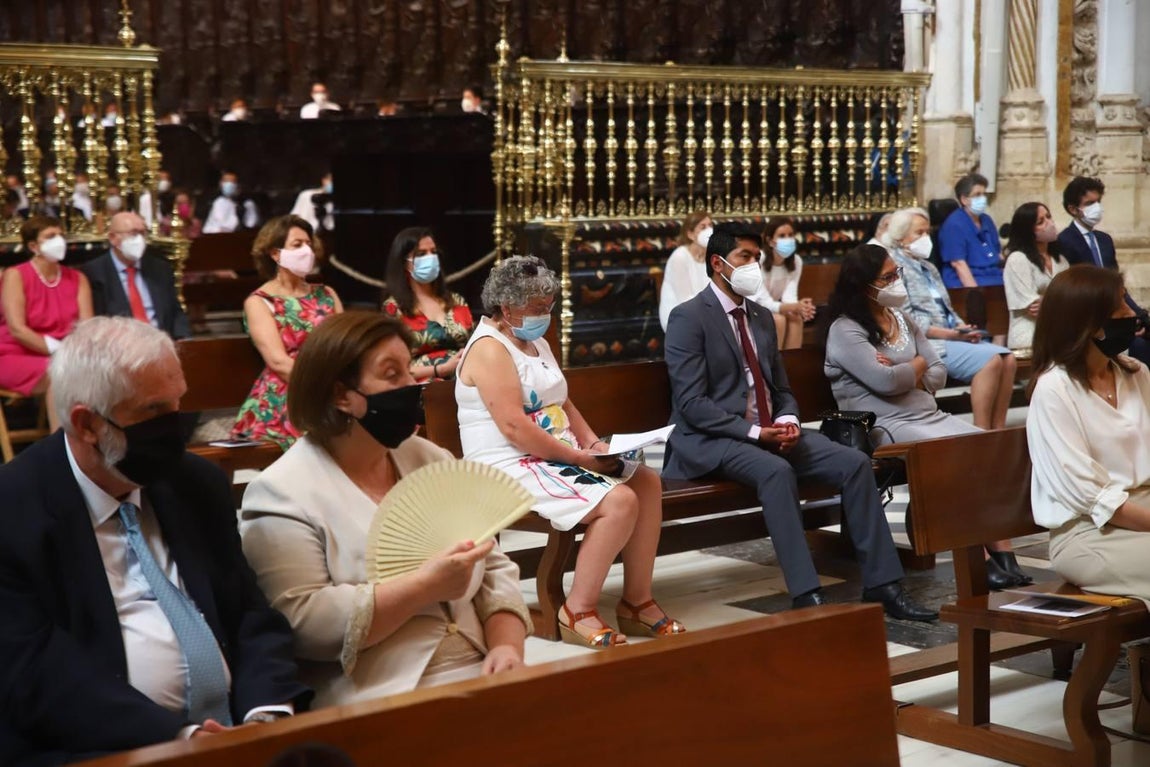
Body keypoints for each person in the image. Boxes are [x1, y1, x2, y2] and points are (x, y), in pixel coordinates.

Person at [0, 317, 310, 765]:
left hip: (238, 734)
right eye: (153, 412)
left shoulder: (194, 483)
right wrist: (183, 739)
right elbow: (36, 675)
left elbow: (248, 615)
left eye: (178, 404)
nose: (175, 428)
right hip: (102, 748)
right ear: (86, 424)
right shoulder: (13, 511)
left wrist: (265, 714)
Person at [240, 311, 530, 706]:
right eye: (392, 375)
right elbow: (304, 622)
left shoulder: (430, 458)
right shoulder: (280, 493)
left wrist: (506, 647)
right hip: (380, 695)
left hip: (482, 667)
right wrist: (425, 587)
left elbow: (494, 567)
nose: (411, 388)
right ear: (342, 395)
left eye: (410, 372)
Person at [663, 223, 936, 620]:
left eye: (757, 258)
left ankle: (885, 586)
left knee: (855, 462)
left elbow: (781, 388)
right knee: (775, 472)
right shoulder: (688, 318)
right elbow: (691, 404)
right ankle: (807, 596)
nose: (753, 266)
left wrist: (788, 419)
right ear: (718, 263)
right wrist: (757, 432)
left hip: (770, 432)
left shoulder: (759, 318)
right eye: (745, 258)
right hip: (713, 438)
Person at [457, 255, 686, 648]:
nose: (545, 315)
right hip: (510, 463)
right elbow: (514, 426)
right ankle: (577, 610)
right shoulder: (489, 349)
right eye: (536, 309)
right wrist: (580, 458)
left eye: (548, 307)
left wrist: (594, 444)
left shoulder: (535, 342)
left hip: (550, 453)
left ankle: (636, 602)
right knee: (619, 502)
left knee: (646, 482)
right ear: (506, 306)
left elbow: (562, 402)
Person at [824, 244, 1030, 589]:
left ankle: (1003, 550)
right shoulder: (845, 330)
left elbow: (939, 374)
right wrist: (916, 365)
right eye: (888, 277)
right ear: (864, 285)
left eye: (897, 274)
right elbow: (885, 383)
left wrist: (908, 369)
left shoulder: (902, 320)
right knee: (950, 453)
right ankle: (976, 559)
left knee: (988, 445)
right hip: (885, 425)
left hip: (927, 414)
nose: (896, 282)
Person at [1027, 265, 1150, 609]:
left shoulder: (1135, 373)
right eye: (1121, 307)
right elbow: (1092, 497)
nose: (1133, 314)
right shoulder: (1055, 390)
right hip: (1089, 533)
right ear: (1090, 324)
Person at [883, 207, 1017, 431]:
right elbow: (906, 318)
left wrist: (961, 327)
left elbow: (946, 307)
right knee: (991, 360)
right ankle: (981, 432)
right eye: (919, 233)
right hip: (925, 343)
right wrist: (951, 334)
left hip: (951, 337)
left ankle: (998, 430)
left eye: (927, 232)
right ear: (901, 236)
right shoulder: (895, 268)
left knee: (1009, 359)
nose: (925, 237)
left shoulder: (928, 267)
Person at [231, 215, 343, 449]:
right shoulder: (260, 301)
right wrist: (324, 385)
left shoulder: (327, 294)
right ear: (275, 253)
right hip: (290, 390)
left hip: (335, 383)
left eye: (309, 244)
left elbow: (346, 343)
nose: (306, 251)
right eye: (297, 245)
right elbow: (278, 361)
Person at [0, 217, 92, 429]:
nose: (59, 241)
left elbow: (87, 328)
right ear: (33, 246)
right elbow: (17, 329)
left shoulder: (78, 278)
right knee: (59, 374)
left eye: (61, 235)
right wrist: (59, 352)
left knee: (99, 373)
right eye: (51, 236)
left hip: (67, 356)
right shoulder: (16, 275)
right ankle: (62, 449)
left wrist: (74, 354)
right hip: (15, 353)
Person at [1057, 175, 1150, 367]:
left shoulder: (1104, 240)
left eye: (1098, 201)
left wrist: (1138, 315)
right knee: (1139, 346)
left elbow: (1118, 286)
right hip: (1092, 317)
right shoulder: (1065, 241)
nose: (1096, 207)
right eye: (1090, 203)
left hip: (1117, 309)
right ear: (1073, 209)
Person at [382, 227, 474, 382]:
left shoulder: (457, 301)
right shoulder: (394, 308)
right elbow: (392, 369)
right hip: (421, 389)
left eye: (433, 252)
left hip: (464, 382)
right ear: (405, 262)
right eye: (421, 254)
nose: (430, 257)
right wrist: (440, 370)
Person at [81, 212, 191, 339]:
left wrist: (183, 339)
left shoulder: (160, 268)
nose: (139, 240)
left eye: (142, 233)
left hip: (161, 342)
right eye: (133, 234)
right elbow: (96, 322)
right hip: (120, 346)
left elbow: (176, 312)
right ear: (112, 238)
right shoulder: (94, 272)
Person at [1002, 202, 1069, 353]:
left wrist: (1050, 301)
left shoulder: (1060, 260)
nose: (1049, 223)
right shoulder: (1018, 259)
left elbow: (1071, 296)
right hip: (1029, 334)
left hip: (1058, 330)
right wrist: (1063, 302)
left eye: (1048, 217)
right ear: (1028, 230)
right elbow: (1033, 307)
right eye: (1041, 222)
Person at [752, 216, 816, 350]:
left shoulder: (796, 261)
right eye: (782, 236)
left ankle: (791, 366)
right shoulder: (758, 261)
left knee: (796, 318)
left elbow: (789, 298)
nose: (788, 239)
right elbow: (763, 302)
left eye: (791, 235)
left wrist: (801, 307)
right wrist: (796, 306)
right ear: (770, 241)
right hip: (752, 309)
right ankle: (773, 367)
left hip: (772, 309)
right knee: (778, 320)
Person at [937, 173, 1004, 288]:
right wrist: (975, 293)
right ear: (964, 199)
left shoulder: (986, 220)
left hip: (993, 275)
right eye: (977, 194)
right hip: (968, 280)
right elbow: (958, 264)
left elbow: (998, 254)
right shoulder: (954, 225)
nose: (983, 199)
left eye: (984, 194)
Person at [658, 211, 713, 330]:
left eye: (710, 226)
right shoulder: (680, 257)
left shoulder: (712, 256)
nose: (709, 231)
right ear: (690, 234)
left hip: (706, 313)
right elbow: (686, 299)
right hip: (681, 317)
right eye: (703, 227)